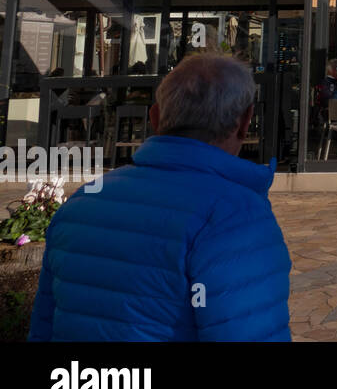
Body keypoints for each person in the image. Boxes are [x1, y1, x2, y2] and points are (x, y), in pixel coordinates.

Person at [29, 54, 291, 341]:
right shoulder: (237, 217)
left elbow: (44, 326)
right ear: (245, 121)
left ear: (154, 118)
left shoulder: (80, 202)